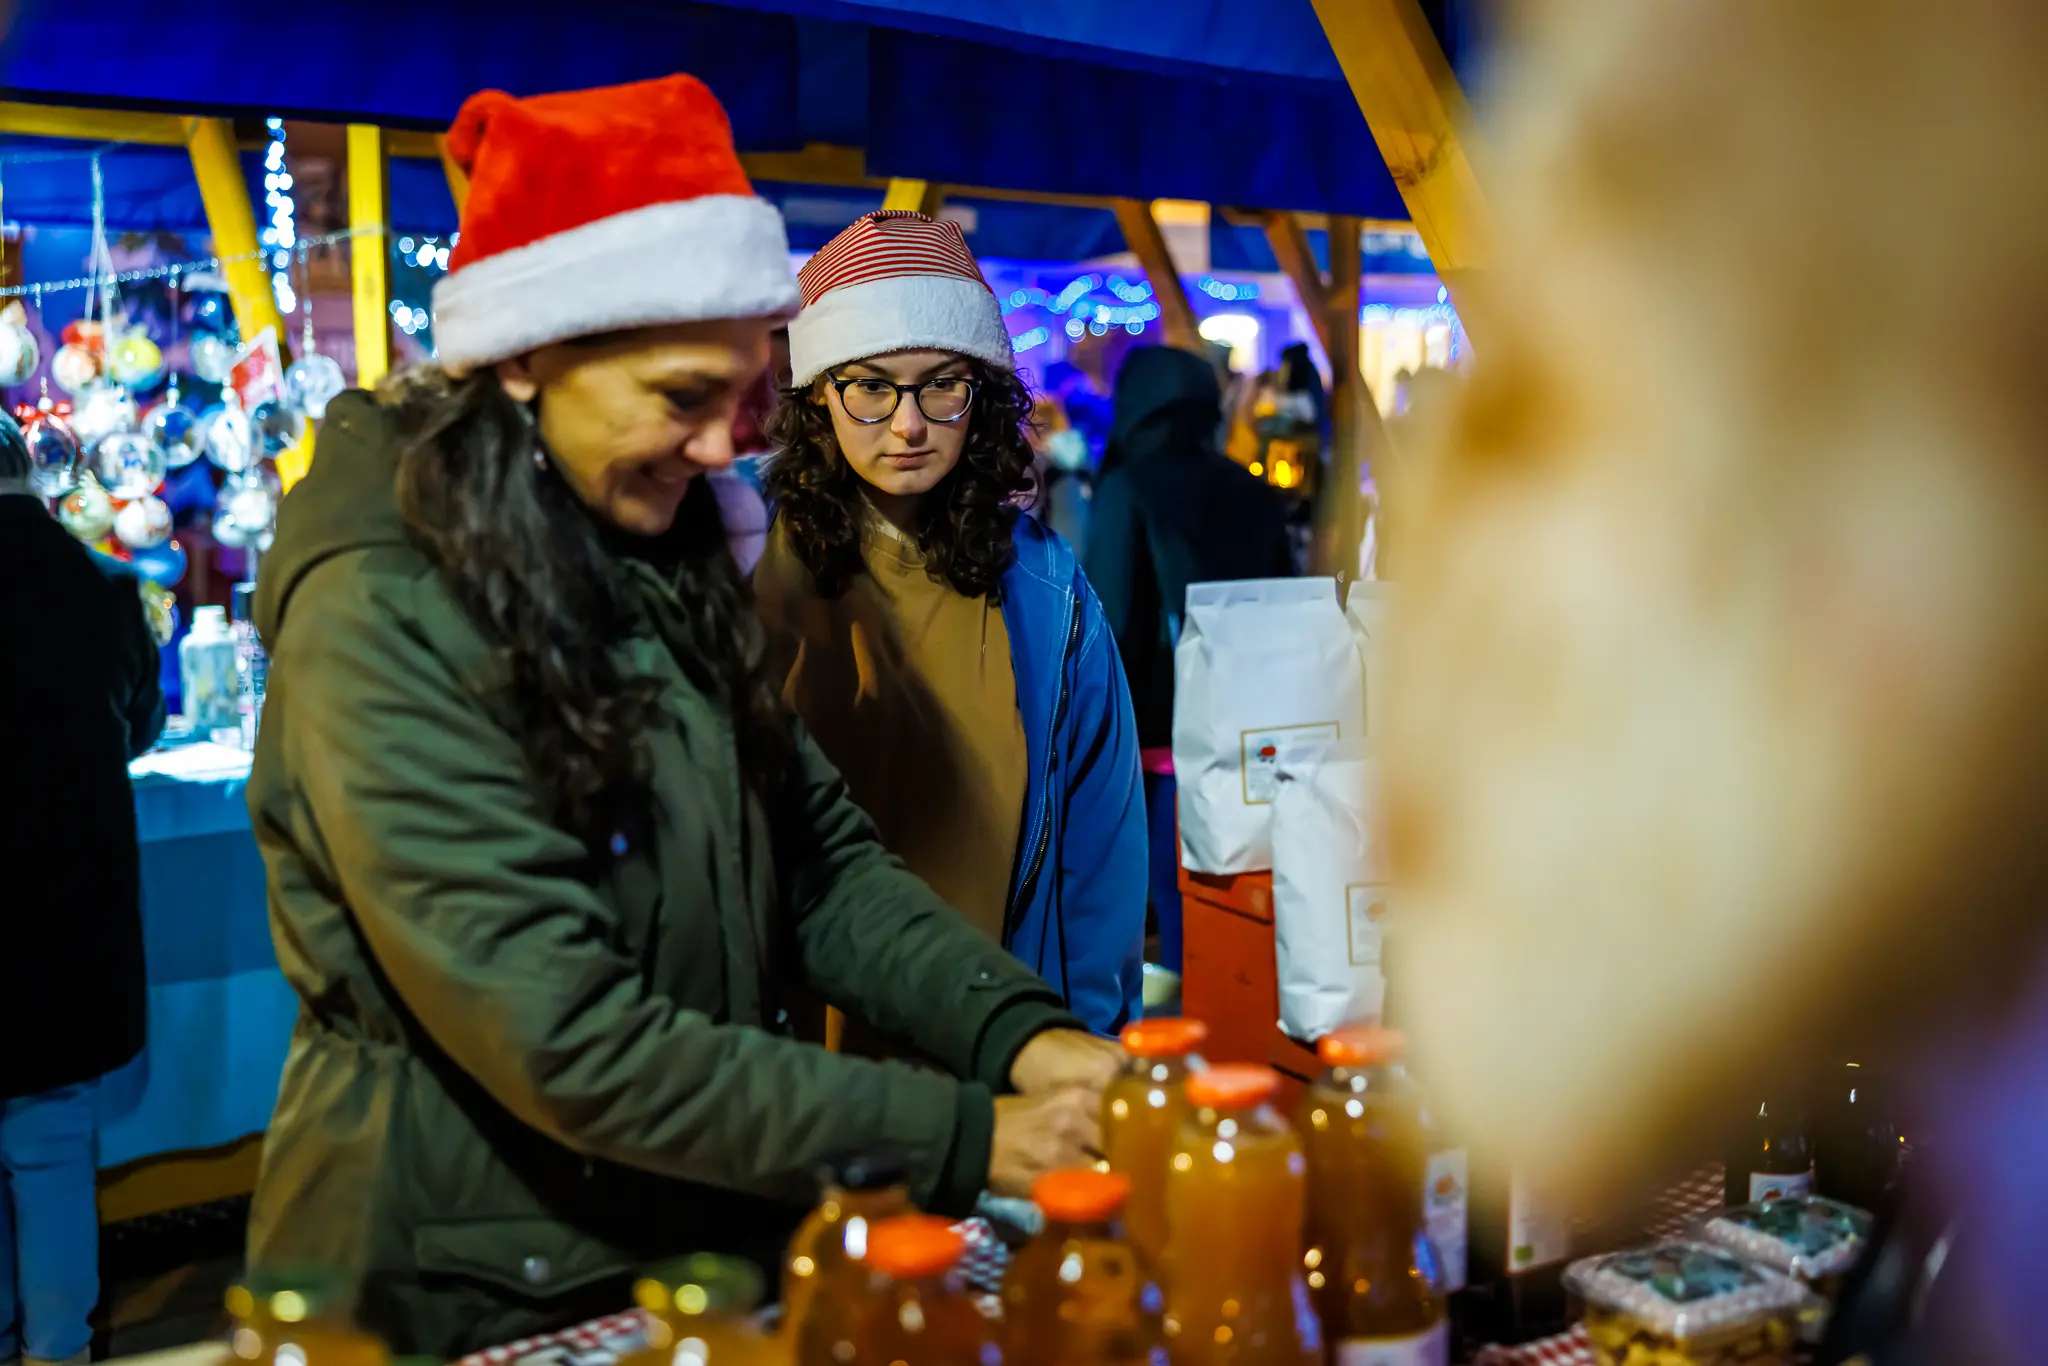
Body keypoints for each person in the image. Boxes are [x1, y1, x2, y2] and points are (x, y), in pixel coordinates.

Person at [241, 80, 1116, 1357]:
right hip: (454, 1278)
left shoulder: (647, 536)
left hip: (671, 1232)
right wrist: (971, 1135)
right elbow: (567, 1036)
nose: (720, 448)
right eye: (677, 396)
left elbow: (815, 855)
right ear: (528, 355)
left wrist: (1019, 1032)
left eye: (746, 400)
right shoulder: (386, 604)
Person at [755, 210, 1147, 1036]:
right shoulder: (739, 555)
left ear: (983, 394)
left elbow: (1097, 864)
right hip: (788, 1080)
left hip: (993, 1065)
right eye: (869, 385)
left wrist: (1083, 1052)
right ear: (817, 393)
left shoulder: (1047, 593)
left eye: (942, 383)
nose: (908, 423)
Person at [0, 413, 166, 1366]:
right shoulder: (104, 586)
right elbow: (136, 726)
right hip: (64, 915)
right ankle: (59, 1352)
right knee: (53, 1148)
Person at [1083, 346, 1292, 976]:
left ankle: (1188, 1057)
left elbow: (1111, 619)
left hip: (1161, 749)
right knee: (1237, 911)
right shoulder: (1251, 490)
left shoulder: (1126, 488)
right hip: (1255, 744)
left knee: (1175, 915)